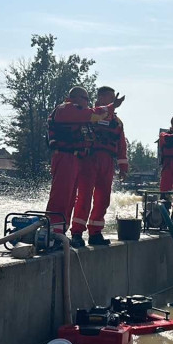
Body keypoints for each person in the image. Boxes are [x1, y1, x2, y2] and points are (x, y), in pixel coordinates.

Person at [45, 87, 121, 237]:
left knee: (70, 198)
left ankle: (60, 233)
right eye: (86, 99)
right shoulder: (66, 109)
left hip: (75, 158)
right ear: (76, 98)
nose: (88, 103)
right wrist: (112, 107)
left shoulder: (78, 113)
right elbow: (92, 115)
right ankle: (54, 233)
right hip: (65, 156)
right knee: (61, 196)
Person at [70, 86, 129, 247]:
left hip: (108, 161)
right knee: (84, 196)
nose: (112, 100)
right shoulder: (90, 114)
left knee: (103, 198)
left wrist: (123, 166)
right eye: (109, 97)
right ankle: (76, 232)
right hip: (90, 158)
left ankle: (95, 232)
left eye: (113, 98)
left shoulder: (117, 122)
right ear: (100, 98)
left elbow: (121, 145)